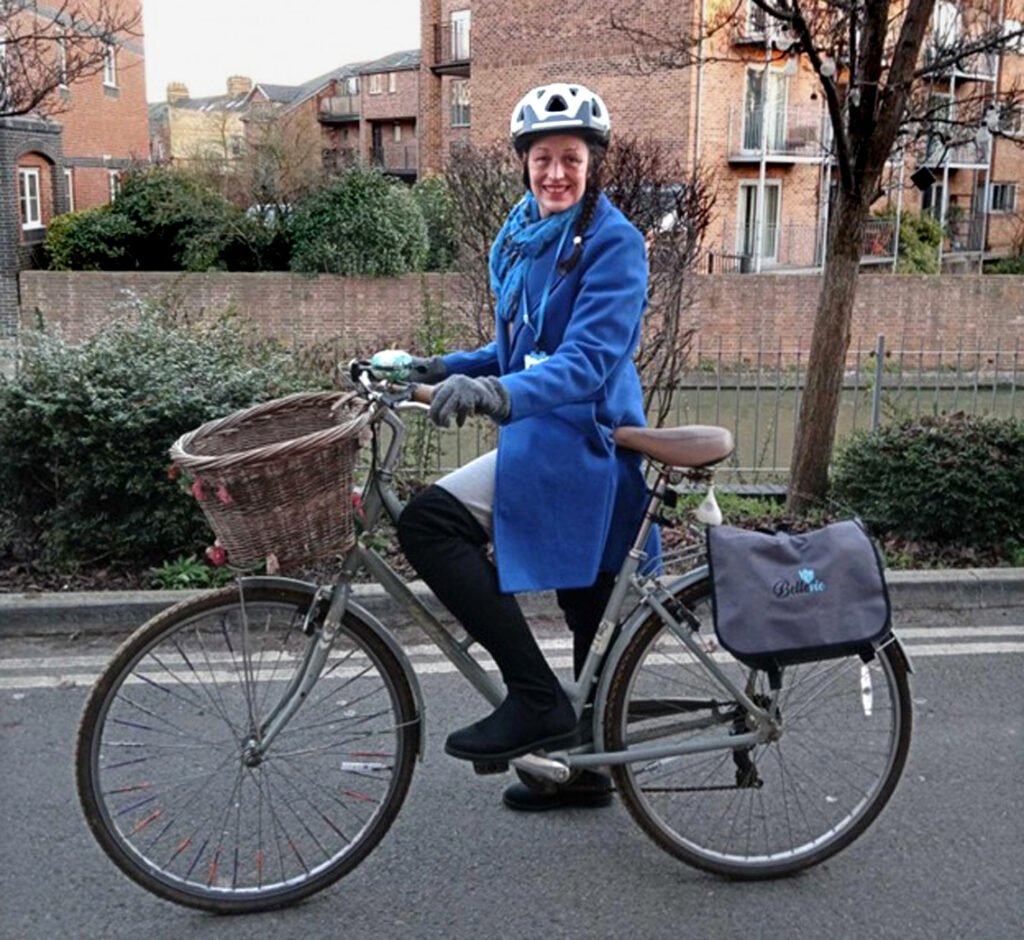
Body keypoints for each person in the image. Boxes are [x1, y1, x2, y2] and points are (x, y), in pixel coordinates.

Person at [393, 82, 654, 811]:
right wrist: (445, 366)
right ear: (525, 163)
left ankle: (537, 698)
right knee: (587, 606)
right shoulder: (522, 234)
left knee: (428, 522)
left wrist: (498, 394)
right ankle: (587, 769)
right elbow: (519, 343)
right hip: (540, 427)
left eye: (572, 158)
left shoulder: (614, 243)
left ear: (592, 163)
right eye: (544, 159)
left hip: (585, 437)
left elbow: (586, 360)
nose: (557, 173)